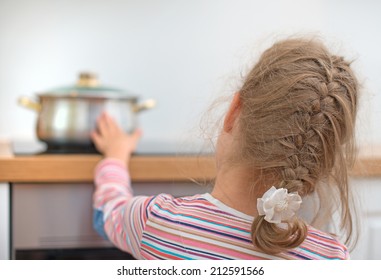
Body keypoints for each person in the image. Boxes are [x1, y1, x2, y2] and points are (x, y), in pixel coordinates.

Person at [91, 37, 359, 259]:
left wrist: (115, 156)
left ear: (233, 112)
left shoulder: (157, 222)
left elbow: (107, 212)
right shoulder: (332, 256)